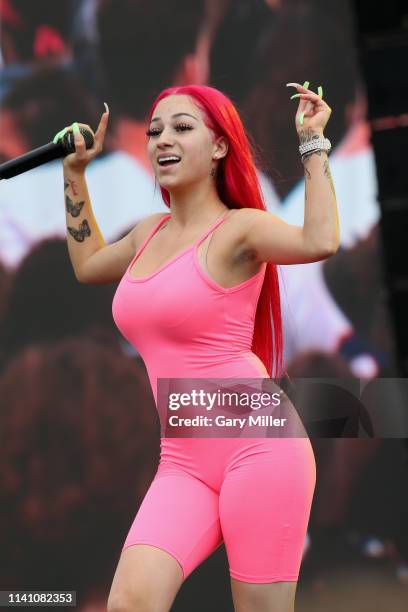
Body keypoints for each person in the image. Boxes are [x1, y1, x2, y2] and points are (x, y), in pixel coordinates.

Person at [61, 82, 339, 611]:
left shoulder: (240, 231)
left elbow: (320, 241)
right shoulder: (148, 233)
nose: (163, 138)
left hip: (260, 448)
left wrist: (312, 142)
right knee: (129, 604)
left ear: (219, 148)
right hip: (183, 461)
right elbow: (87, 263)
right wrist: (74, 175)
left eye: (183, 127)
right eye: (155, 130)